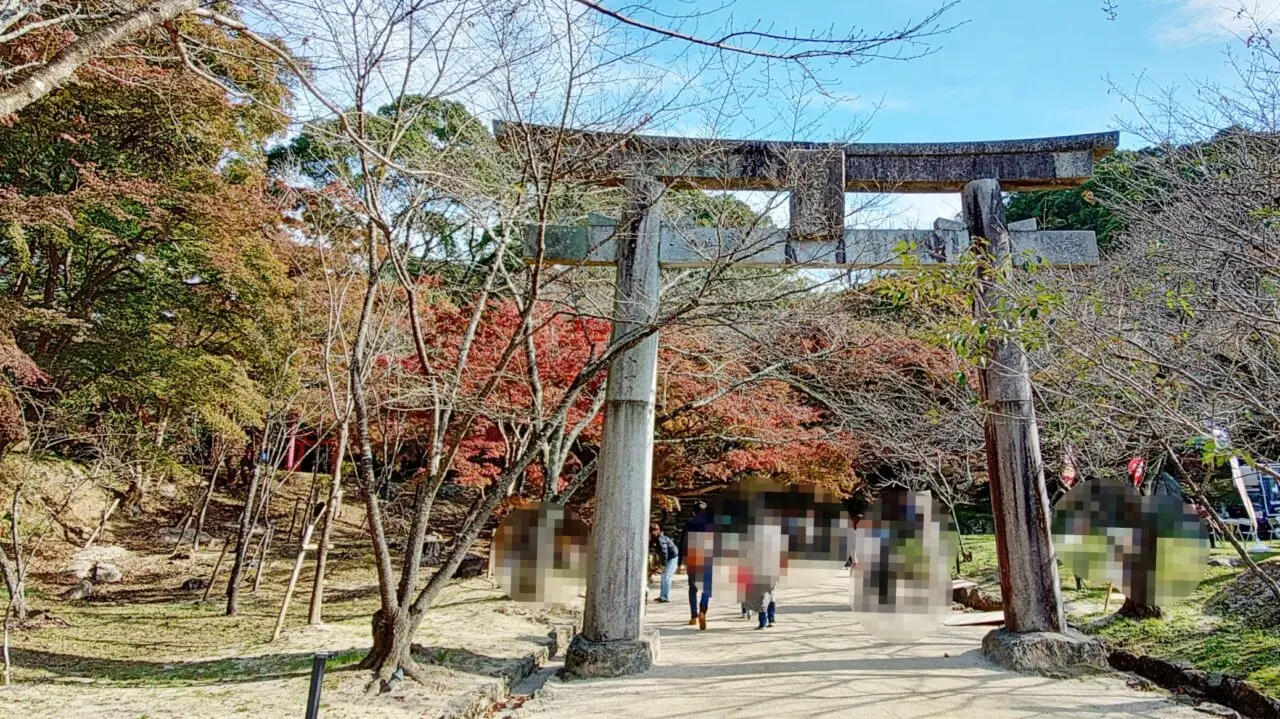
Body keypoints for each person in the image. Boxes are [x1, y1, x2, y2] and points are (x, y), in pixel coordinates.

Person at [679, 500, 713, 630]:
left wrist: (679, 562)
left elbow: (682, 542)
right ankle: (703, 610)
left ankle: (694, 616)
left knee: (692, 588)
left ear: (693, 512)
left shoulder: (689, 524)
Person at [650, 523, 679, 603]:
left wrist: (663, 565)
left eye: (654, 531)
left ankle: (665, 597)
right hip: (669, 558)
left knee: (666, 577)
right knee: (663, 577)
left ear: (658, 531)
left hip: (672, 558)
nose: (652, 533)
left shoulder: (661, 539)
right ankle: (662, 596)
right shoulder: (655, 539)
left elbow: (664, 553)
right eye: (651, 531)